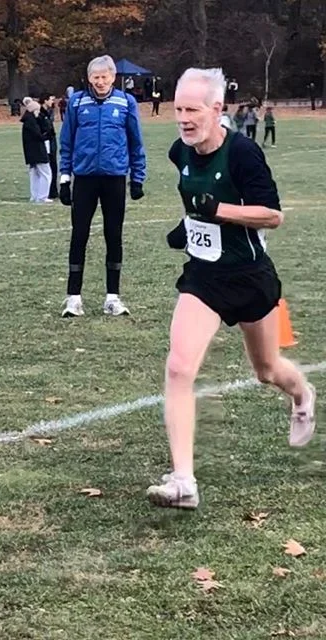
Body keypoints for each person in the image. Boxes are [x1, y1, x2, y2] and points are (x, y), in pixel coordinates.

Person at [147, 67, 316, 509]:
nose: (182, 118)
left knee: (266, 370)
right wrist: (188, 228)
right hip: (204, 278)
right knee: (180, 367)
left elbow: (273, 215)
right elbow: (194, 206)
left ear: (217, 109)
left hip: (251, 278)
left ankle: (302, 395)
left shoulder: (243, 154)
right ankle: (184, 481)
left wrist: (219, 210)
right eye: (178, 108)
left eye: (192, 109)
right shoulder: (177, 152)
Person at [58, 54, 147, 317]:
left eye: (104, 77)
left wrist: (138, 178)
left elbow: (136, 142)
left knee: (114, 235)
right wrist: (64, 178)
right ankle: (74, 298)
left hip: (114, 178)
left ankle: (113, 297)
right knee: (79, 235)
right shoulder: (76, 102)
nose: (100, 82)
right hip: (84, 179)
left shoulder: (126, 102)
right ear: (88, 78)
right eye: (95, 77)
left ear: (112, 77)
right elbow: (66, 143)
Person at [21, 99, 52, 203]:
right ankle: (42, 197)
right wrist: (46, 136)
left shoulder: (27, 121)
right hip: (37, 151)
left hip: (31, 153)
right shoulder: (31, 122)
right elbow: (39, 135)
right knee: (46, 174)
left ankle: (35, 196)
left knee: (35, 174)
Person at [38, 93, 59, 199]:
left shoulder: (49, 111)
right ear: (45, 101)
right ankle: (47, 191)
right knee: (48, 166)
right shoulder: (40, 113)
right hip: (45, 141)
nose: (52, 102)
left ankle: (53, 190)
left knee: (54, 166)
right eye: (51, 100)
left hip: (51, 140)